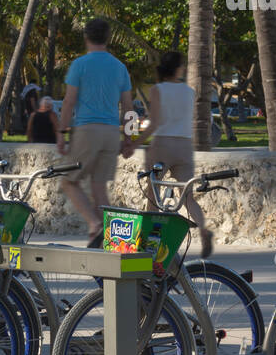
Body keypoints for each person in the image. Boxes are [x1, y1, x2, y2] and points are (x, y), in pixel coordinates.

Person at [56, 18, 136, 246]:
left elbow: (69, 101)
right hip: (111, 132)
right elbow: (129, 107)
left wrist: (61, 132)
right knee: (99, 186)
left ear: (86, 38)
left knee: (69, 182)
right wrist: (128, 139)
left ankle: (94, 224)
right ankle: (108, 240)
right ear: (108, 39)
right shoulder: (120, 67)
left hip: (87, 130)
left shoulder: (79, 65)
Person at [133, 52, 213, 258]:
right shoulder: (189, 91)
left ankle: (149, 243)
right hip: (185, 145)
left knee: (153, 195)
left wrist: (136, 143)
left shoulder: (157, 90)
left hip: (163, 145)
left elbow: (156, 122)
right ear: (177, 69)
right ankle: (204, 232)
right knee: (187, 196)